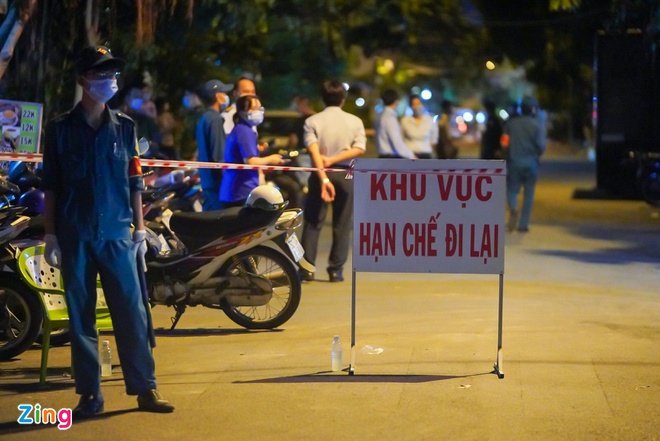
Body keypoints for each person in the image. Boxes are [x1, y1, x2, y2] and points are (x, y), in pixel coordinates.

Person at [41, 45, 174, 418]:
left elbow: (135, 183)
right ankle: (90, 395)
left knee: (132, 313)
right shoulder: (60, 129)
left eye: (112, 74)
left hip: (117, 235)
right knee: (81, 317)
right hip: (76, 234)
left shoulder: (125, 128)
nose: (109, 81)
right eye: (101, 74)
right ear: (83, 79)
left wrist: (140, 230)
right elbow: (51, 186)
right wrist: (51, 234)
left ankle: (145, 389)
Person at [300, 79, 366, 282]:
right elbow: (359, 148)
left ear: (323, 98)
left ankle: (307, 269)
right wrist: (335, 159)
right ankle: (336, 270)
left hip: (320, 173)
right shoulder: (355, 121)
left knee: (313, 222)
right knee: (343, 223)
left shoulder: (312, 121)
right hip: (346, 173)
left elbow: (314, 152)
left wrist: (324, 179)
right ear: (343, 99)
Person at [220, 95, 286, 207]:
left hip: (236, 190)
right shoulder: (245, 131)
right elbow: (251, 161)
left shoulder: (242, 129)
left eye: (260, 108)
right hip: (240, 191)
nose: (259, 112)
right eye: (255, 108)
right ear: (243, 111)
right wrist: (271, 159)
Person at [503, 96, 546, 233]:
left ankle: (513, 208)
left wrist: (506, 154)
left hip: (514, 162)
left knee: (511, 190)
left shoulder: (510, 124)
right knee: (529, 194)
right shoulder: (537, 125)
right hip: (531, 163)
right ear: (533, 109)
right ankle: (523, 225)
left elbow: (504, 143)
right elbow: (541, 147)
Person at [196, 79, 233, 210]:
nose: (226, 96)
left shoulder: (204, 118)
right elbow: (218, 154)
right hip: (216, 181)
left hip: (207, 180)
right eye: (224, 93)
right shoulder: (216, 119)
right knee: (219, 218)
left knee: (208, 217)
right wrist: (227, 181)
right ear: (218, 96)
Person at [375, 89, 416, 159]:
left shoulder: (380, 116)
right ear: (396, 101)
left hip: (382, 156)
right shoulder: (390, 118)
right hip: (389, 158)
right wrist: (412, 156)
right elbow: (396, 141)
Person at [400, 94, 438, 159]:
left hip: (425, 155)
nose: (416, 106)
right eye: (414, 104)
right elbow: (401, 138)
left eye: (418, 103)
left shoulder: (430, 120)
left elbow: (433, 140)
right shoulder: (405, 121)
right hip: (410, 156)